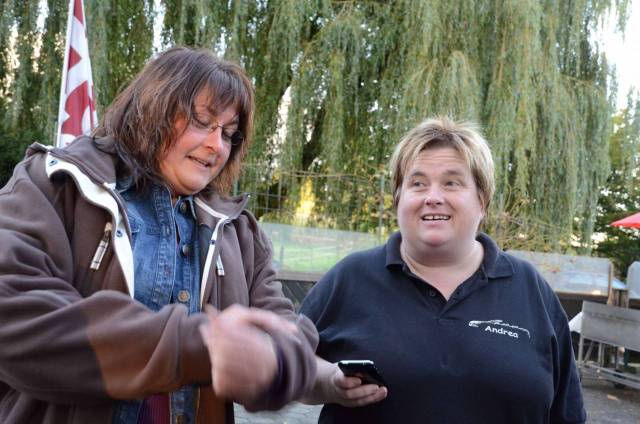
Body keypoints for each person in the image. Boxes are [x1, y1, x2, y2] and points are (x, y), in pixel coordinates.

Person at [0, 47, 318, 424]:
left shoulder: (240, 232)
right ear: (152, 109)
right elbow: (15, 316)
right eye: (202, 122)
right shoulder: (52, 184)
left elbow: (286, 334)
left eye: (229, 134)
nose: (217, 146)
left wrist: (285, 361)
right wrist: (195, 347)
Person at [299, 117, 586, 423]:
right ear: (398, 199)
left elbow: (567, 414)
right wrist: (328, 382)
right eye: (418, 184)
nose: (433, 198)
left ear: (482, 201)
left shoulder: (531, 290)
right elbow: (284, 365)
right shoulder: (350, 278)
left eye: (451, 183)